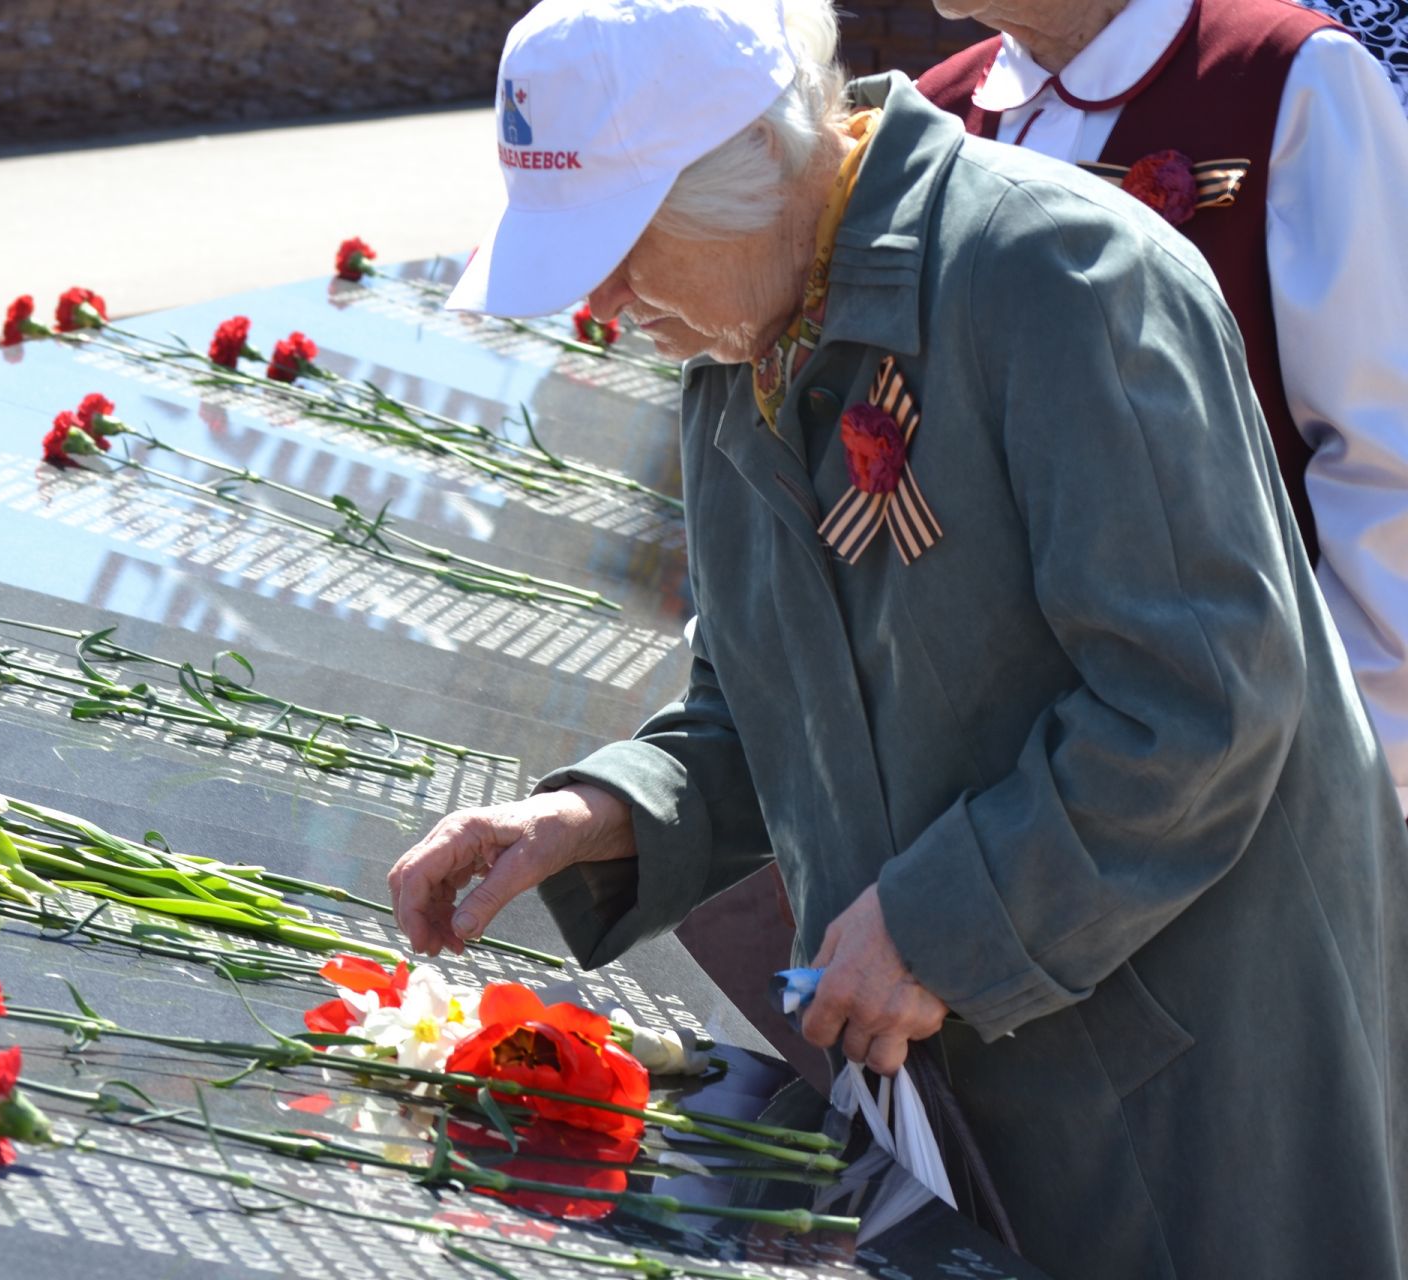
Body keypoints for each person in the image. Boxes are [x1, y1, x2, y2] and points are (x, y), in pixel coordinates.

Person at [387, 0, 1408, 1276]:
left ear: (746, 167)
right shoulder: (740, 333)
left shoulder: (1058, 276)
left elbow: (1198, 701)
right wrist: (595, 811)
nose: (599, 298)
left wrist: (934, 923)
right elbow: (766, 691)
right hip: (969, 1083)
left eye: (622, 244)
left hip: (1182, 1077)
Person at [917, 0, 1408, 814]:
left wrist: (1331, 763)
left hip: (1256, 791)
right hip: (1011, 812)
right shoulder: (937, 113)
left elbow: (1384, 453)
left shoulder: (1287, 74)